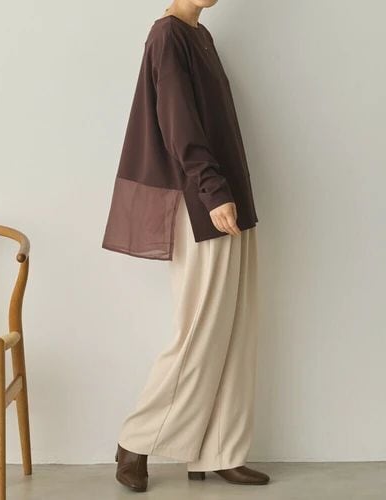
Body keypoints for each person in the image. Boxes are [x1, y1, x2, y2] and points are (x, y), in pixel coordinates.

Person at [102, 0, 268, 492]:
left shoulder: (200, 36)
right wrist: (214, 190)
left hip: (227, 198)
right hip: (203, 203)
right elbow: (179, 125)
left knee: (233, 329)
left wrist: (228, 192)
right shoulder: (168, 35)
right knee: (199, 330)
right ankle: (135, 441)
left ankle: (219, 450)